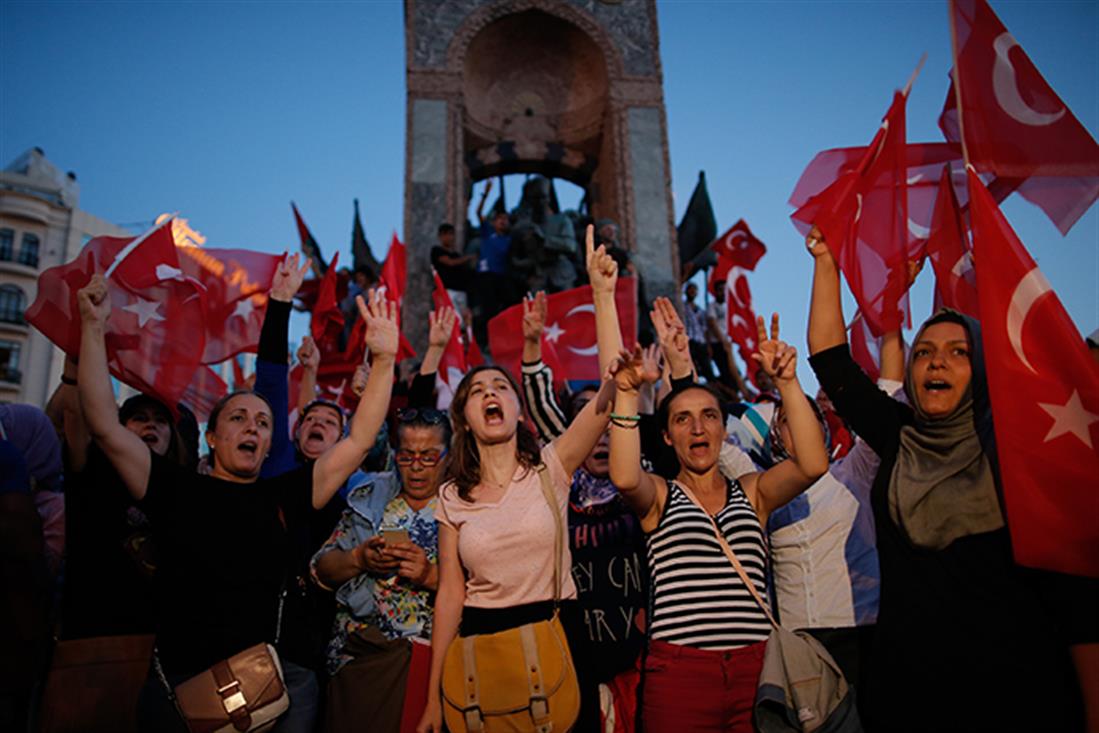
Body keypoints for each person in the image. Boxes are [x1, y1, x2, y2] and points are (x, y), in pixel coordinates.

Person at [76, 259, 401, 733]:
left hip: (269, 689)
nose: (252, 427)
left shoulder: (286, 495)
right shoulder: (173, 486)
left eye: (263, 423)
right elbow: (105, 424)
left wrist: (385, 361)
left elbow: (358, 441)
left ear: (270, 445)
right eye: (238, 418)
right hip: (181, 689)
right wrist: (92, 327)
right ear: (211, 437)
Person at [804, 227, 1097, 733]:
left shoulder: (1020, 454)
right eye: (923, 351)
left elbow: (1079, 605)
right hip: (905, 699)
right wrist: (826, 260)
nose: (936, 360)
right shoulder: (899, 436)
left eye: (959, 352)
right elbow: (832, 360)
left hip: (1017, 700)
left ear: (984, 367)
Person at [417, 227, 622, 733]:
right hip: (481, 651)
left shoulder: (552, 466)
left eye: (500, 387)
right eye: (478, 390)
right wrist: (432, 697)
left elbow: (612, 391)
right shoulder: (451, 496)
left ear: (517, 408)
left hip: (559, 635)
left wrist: (602, 294)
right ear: (465, 419)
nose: (490, 393)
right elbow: (450, 595)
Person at [608, 313, 828, 733]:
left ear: (724, 430)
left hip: (757, 671)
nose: (697, 428)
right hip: (680, 676)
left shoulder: (753, 491)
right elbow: (624, 477)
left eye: (709, 416)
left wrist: (787, 382)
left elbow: (813, 464)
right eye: (682, 419)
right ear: (667, 436)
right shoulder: (660, 496)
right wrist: (626, 395)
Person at [313, 407, 452, 733]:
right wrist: (359, 559)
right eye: (406, 456)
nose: (416, 467)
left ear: (449, 456)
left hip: (433, 666)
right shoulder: (369, 497)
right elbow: (321, 569)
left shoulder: (465, 504)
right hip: (362, 663)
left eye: (429, 457)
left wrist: (430, 576)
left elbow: (490, 588)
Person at [430, 223, 475, 319]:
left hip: (461, 291)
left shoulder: (457, 255)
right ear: (440, 236)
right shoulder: (437, 251)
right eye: (445, 234)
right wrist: (468, 258)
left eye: (451, 234)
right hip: (447, 290)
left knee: (462, 321)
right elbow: (450, 262)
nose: (449, 237)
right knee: (450, 319)